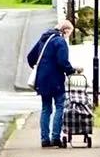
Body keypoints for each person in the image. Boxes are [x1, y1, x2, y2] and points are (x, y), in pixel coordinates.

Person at [26, 19, 78, 148]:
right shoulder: (60, 41)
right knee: (60, 106)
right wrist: (71, 71)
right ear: (65, 31)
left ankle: (44, 139)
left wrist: (41, 68)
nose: (68, 36)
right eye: (69, 33)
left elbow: (30, 57)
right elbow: (62, 61)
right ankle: (55, 137)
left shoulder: (44, 39)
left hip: (42, 80)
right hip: (56, 80)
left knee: (46, 109)